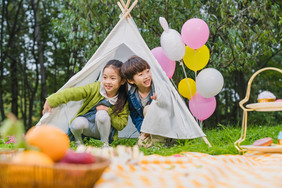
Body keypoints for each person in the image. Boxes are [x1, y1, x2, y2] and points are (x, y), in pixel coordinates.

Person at [42, 60, 129, 146]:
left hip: (105, 130)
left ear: (122, 81)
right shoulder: (95, 88)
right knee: (76, 124)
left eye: (113, 78)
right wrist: (51, 100)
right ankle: (78, 142)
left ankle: (104, 144)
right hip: (88, 126)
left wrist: (108, 110)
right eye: (105, 77)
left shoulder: (122, 99)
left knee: (102, 114)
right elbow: (74, 93)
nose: (107, 82)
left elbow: (121, 124)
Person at [121, 56, 166, 147]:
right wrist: (144, 130)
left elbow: (170, 106)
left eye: (147, 71)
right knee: (141, 144)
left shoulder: (158, 88)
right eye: (140, 74)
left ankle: (160, 143)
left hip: (164, 126)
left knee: (148, 109)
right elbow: (136, 117)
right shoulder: (132, 96)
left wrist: (161, 98)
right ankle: (156, 141)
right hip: (149, 128)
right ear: (131, 80)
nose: (146, 76)